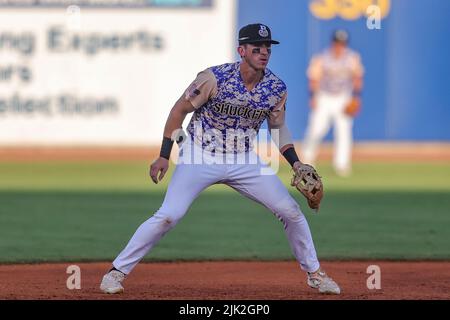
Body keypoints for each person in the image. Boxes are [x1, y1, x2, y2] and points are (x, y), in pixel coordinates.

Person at [100, 23, 340, 295]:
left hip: (245, 159)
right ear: (242, 50)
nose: (264, 53)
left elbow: (278, 128)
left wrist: (296, 163)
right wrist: (164, 155)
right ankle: (116, 272)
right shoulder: (213, 78)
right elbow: (179, 111)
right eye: (256, 48)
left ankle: (315, 274)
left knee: (290, 211)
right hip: (199, 154)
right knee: (169, 215)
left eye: (267, 48)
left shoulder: (275, 87)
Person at [302, 29, 364, 177]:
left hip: (344, 98)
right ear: (332, 43)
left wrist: (356, 97)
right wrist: (313, 96)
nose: (340, 46)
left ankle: (342, 164)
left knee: (344, 131)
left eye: (342, 43)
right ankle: (307, 159)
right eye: (337, 43)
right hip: (324, 97)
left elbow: (357, 77)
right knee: (317, 128)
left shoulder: (352, 57)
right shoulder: (322, 58)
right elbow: (314, 78)